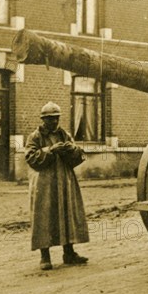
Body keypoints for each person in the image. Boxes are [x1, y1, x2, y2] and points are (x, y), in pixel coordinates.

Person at [25, 101, 89, 270]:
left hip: (64, 181)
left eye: (56, 118)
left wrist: (71, 149)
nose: (54, 122)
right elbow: (31, 158)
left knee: (67, 214)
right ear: (43, 120)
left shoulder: (64, 135)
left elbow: (79, 156)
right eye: (50, 119)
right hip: (44, 184)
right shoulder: (35, 136)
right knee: (44, 217)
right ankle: (44, 256)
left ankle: (69, 253)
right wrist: (50, 151)